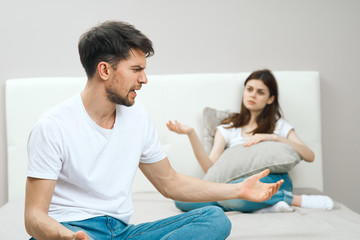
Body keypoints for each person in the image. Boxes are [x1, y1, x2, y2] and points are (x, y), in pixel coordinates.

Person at [24, 21, 284, 240]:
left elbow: (170, 182)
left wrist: (237, 190)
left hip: (122, 233)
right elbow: (34, 217)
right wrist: (67, 237)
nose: (144, 79)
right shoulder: (53, 126)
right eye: (136, 70)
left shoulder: (137, 117)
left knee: (214, 219)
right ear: (104, 70)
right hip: (72, 231)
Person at [167, 69, 334, 214]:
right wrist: (191, 135)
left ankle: (294, 200)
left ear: (270, 99)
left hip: (273, 182)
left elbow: (309, 155)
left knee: (234, 197)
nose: (253, 94)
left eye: (260, 92)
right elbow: (209, 168)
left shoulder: (279, 126)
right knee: (183, 200)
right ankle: (264, 207)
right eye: (249, 89)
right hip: (235, 182)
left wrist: (274, 137)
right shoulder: (228, 128)